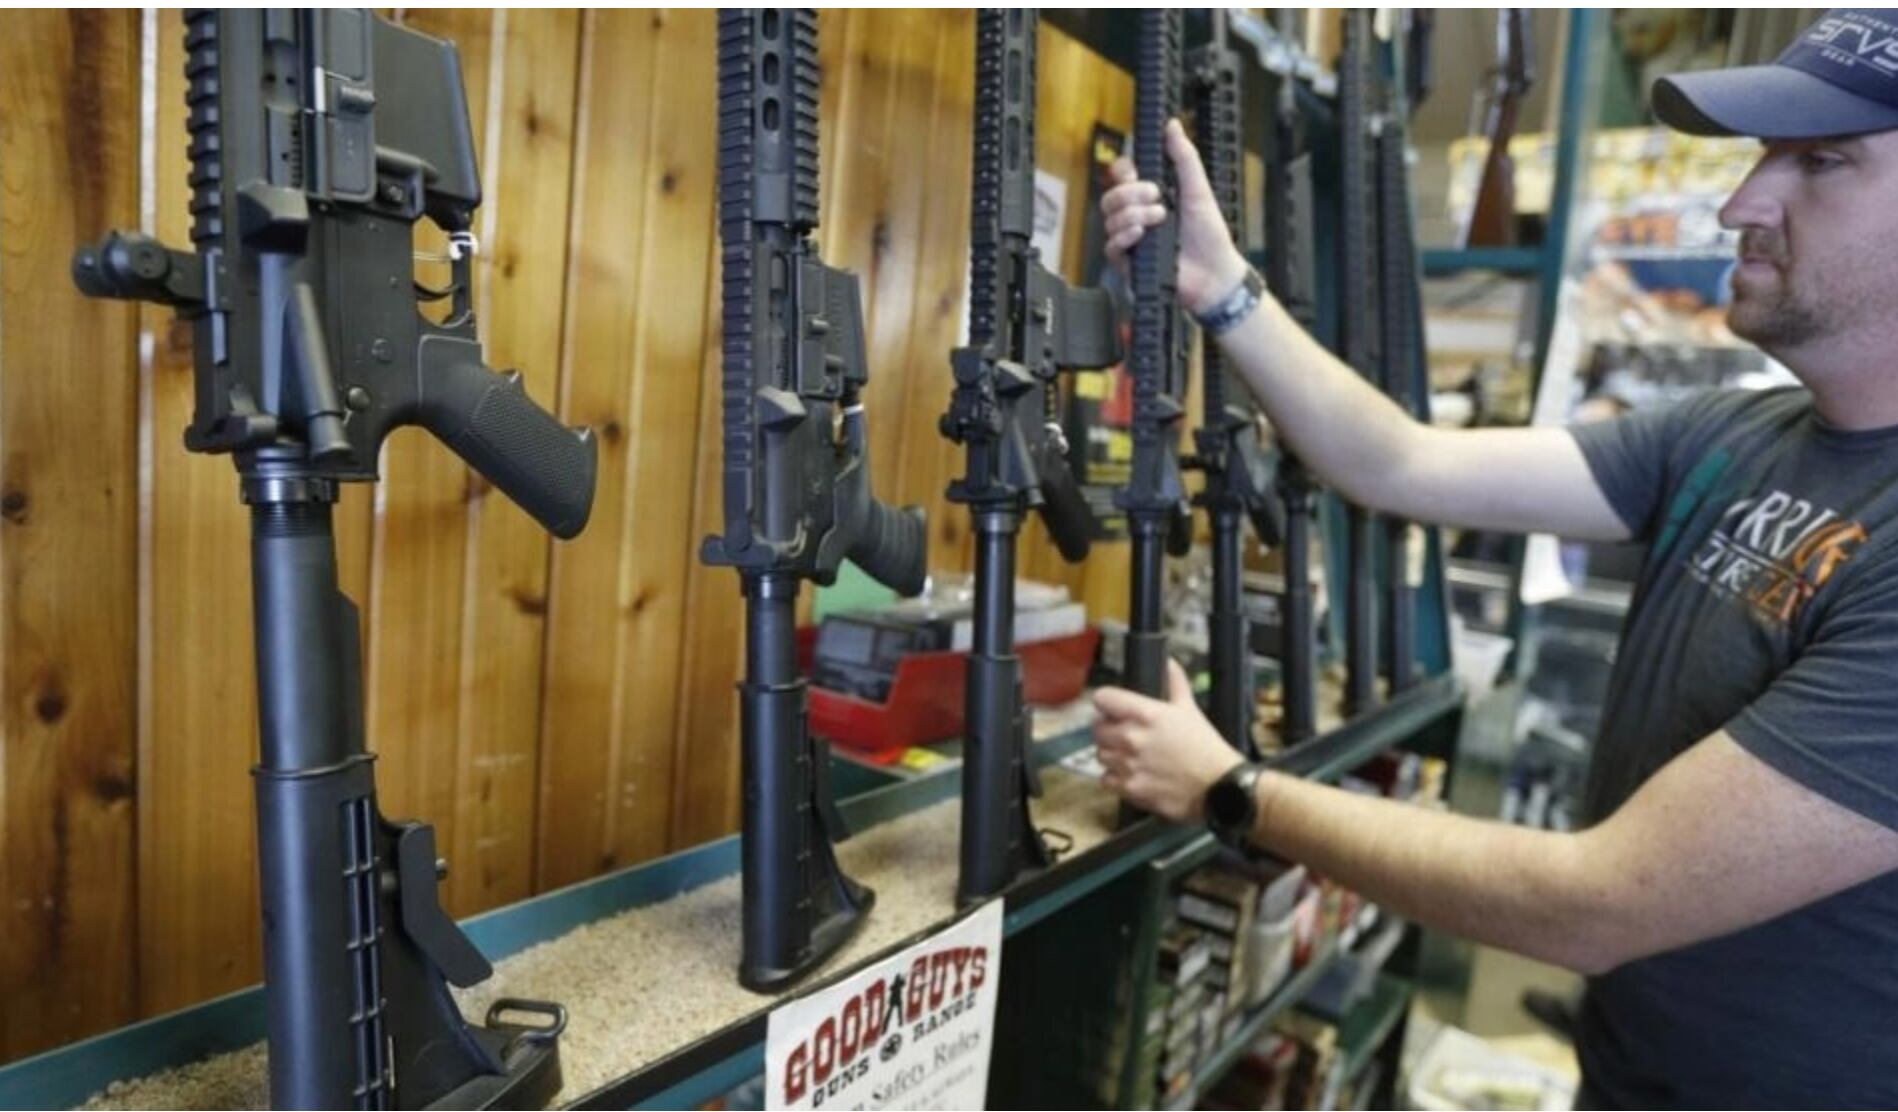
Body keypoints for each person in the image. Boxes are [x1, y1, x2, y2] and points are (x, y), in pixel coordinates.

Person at [1091, 9, 1898, 1107]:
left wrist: (1230, 789)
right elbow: (1400, 461)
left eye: (1820, 161)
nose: (1738, 203)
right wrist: (1221, 287)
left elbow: (1594, 901)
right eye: (1764, 155)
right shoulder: (1734, 434)